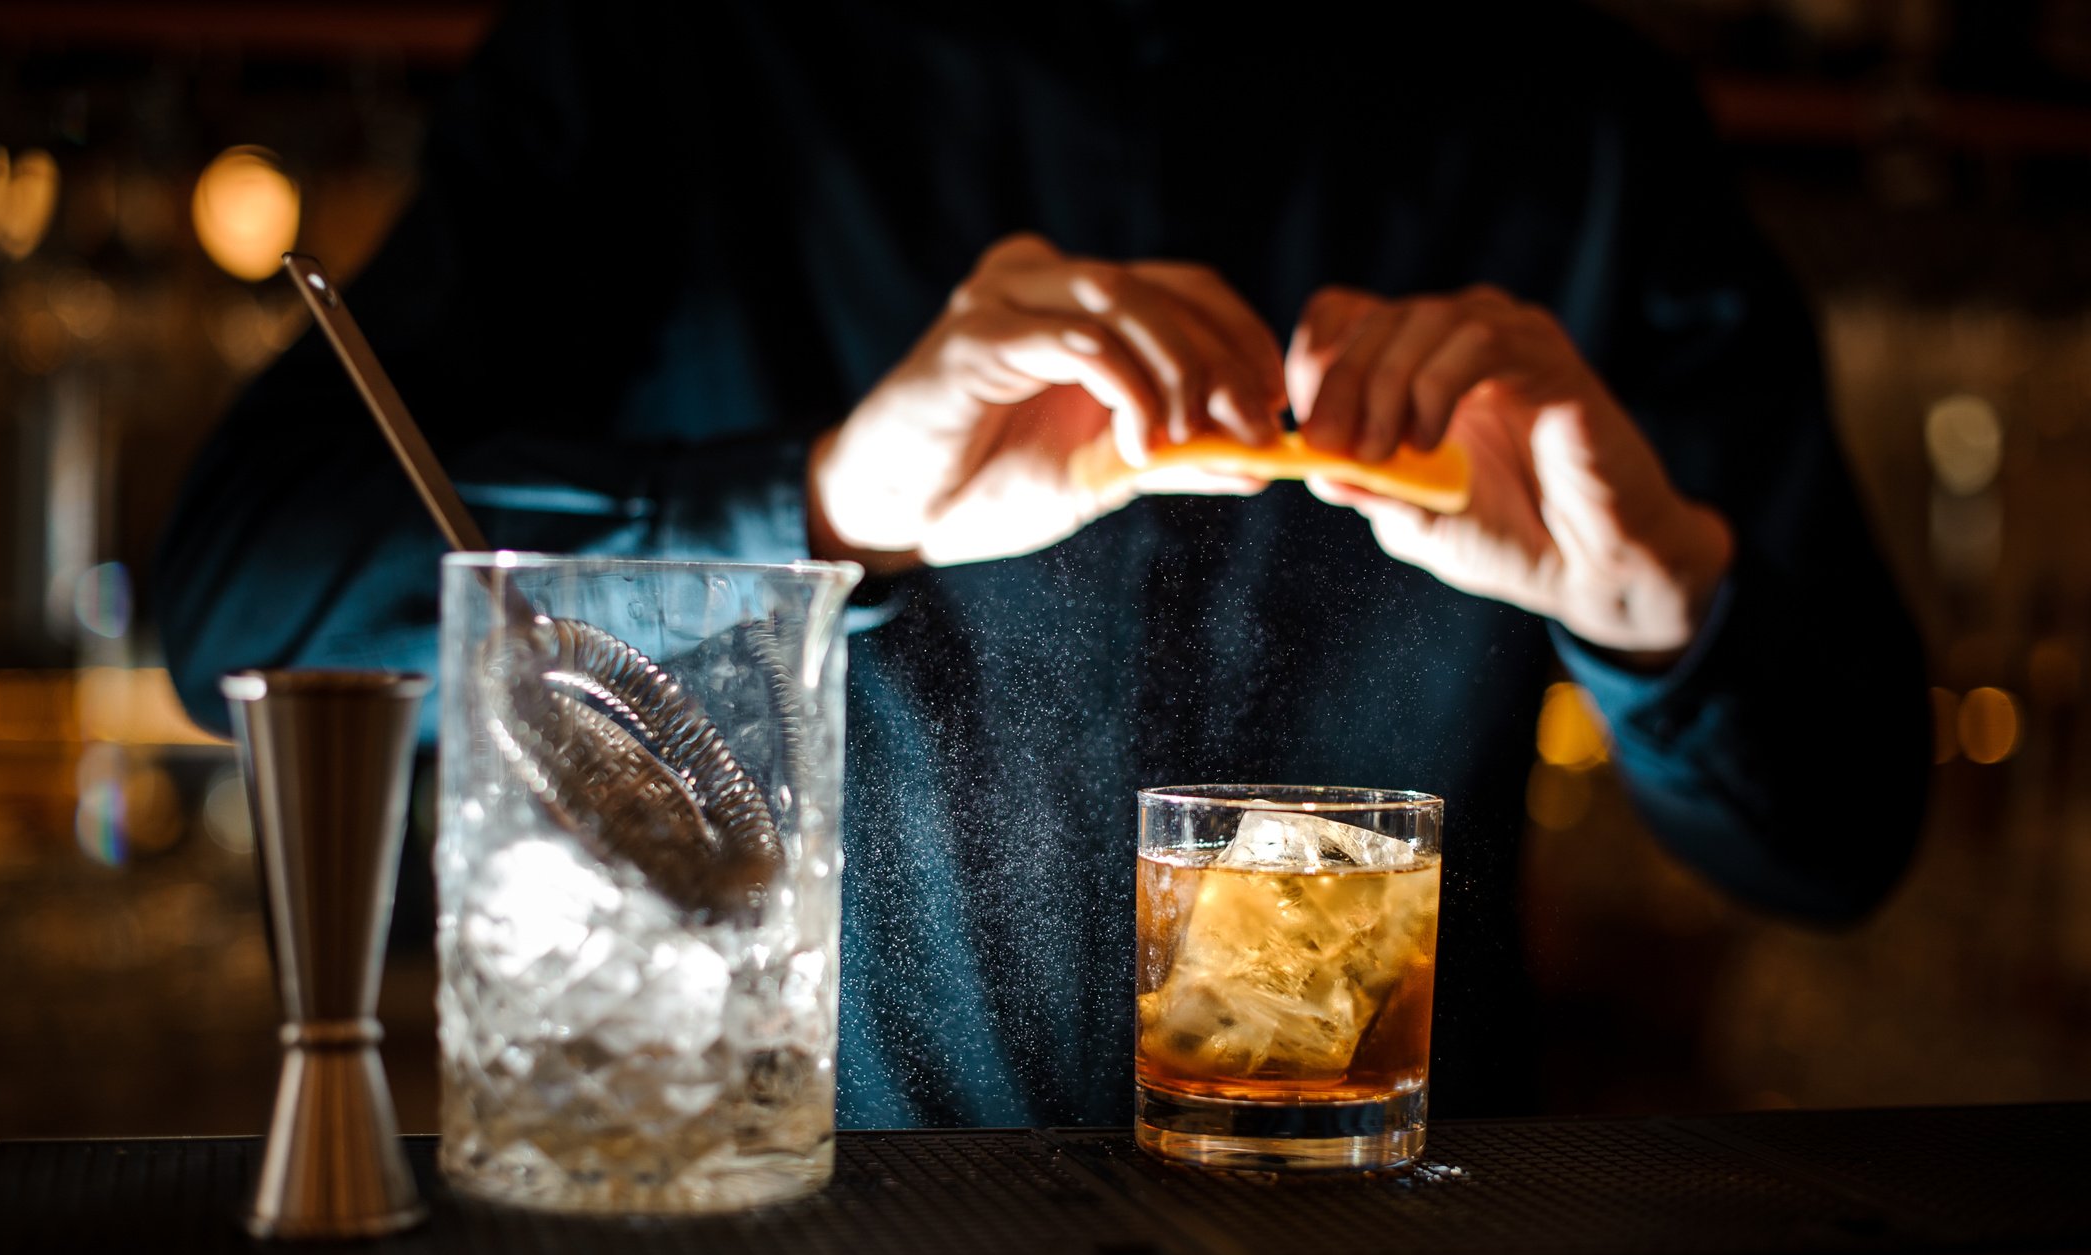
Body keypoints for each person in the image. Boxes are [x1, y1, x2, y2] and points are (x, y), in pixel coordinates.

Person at [155, 1, 1930, 1126]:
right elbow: (239, 606)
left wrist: (1664, 600)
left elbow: (1845, 835)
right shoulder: (661, 54)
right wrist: (823, 499)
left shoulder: (1580, 121)